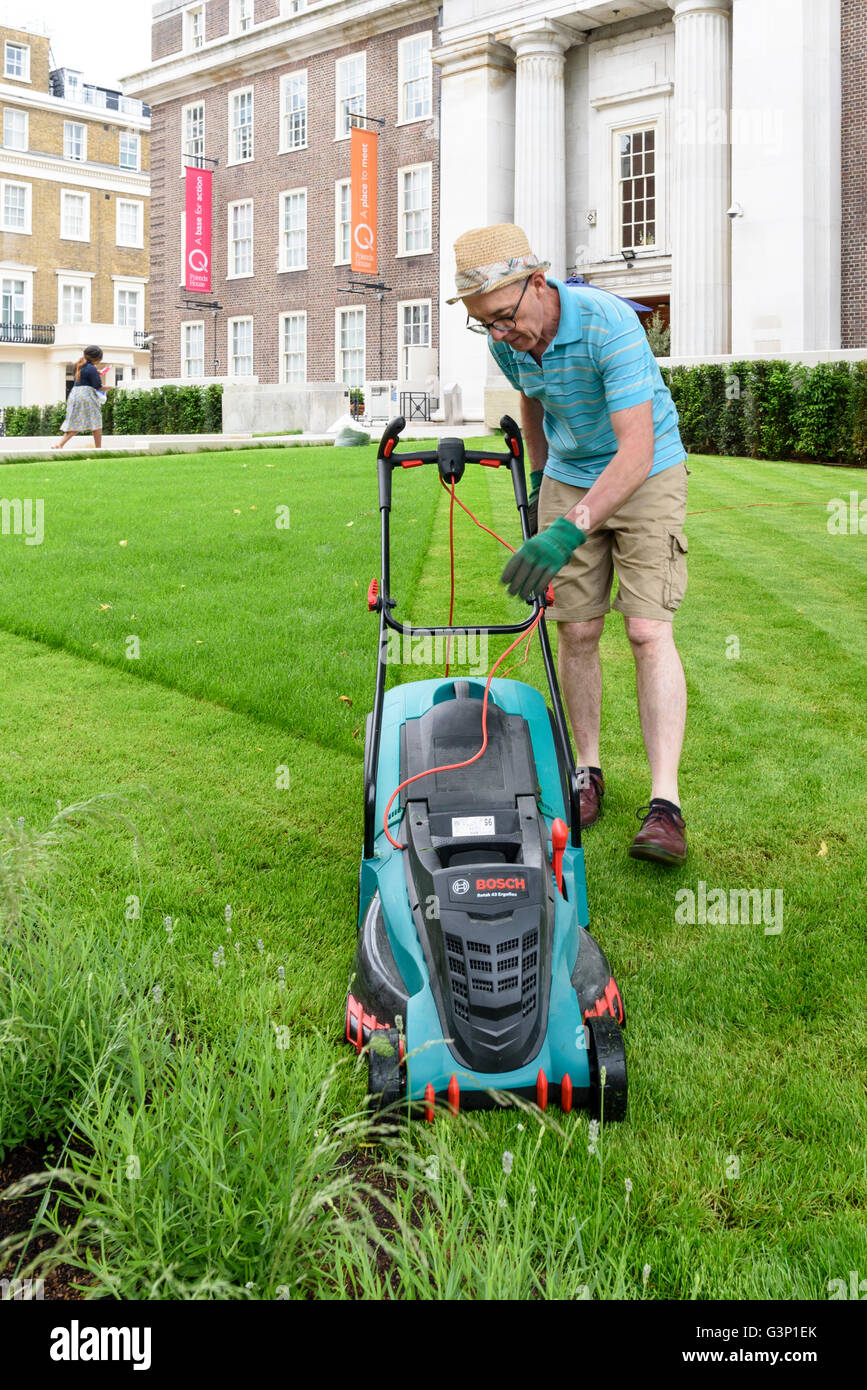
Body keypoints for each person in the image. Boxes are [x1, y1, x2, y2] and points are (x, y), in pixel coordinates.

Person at [448, 223, 690, 865]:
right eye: (485, 325)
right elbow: (533, 402)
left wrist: (567, 526)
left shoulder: (609, 324)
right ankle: (588, 771)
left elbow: (635, 449)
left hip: (647, 470)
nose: (500, 335)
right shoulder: (508, 341)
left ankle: (665, 806)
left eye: (504, 317)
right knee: (576, 633)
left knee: (645, 629)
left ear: (537, 282)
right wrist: (536, 483)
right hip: (569, 476)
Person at [52, 346, 108, 450]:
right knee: (96, 421)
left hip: (75, 394)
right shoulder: (92, 368)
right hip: (87, 396)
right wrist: (112, 387)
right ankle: (98, 448)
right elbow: (98, 387)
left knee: (76, 421)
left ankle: (59, 444)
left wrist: (97, 373)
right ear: (96, 358)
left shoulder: (77, 365)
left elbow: (84, 377)